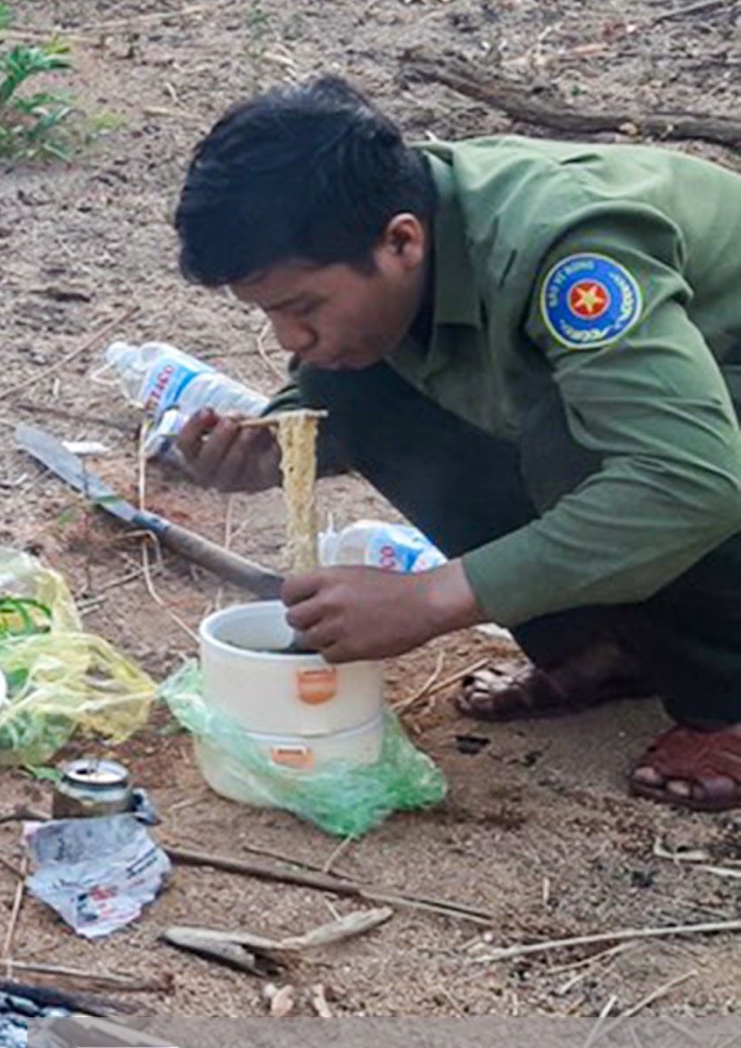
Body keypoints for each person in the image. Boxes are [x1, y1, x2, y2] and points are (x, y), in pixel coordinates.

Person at [171, 75, 741, 811]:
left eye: (303, 306)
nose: (289, 337)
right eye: (270, 314)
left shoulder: (570, 251)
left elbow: (691, 478)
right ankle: (605, 645)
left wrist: (432, 598)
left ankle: (728, 690)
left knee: (597, 437)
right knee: (345, 384)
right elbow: (360, 380)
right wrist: (277, 439)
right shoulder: (396, 215)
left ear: (401, 239)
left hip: (710, 434)